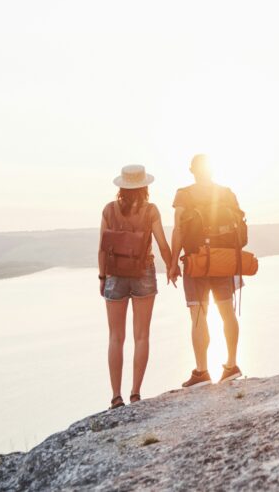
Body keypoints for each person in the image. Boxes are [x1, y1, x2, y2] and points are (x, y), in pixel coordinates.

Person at [98, 164, 172, 409]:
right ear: (145, 186)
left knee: (115, 337)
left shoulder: (109, 210)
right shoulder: (150, 211)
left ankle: (116, 397)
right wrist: (172, 266)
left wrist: (102, 277)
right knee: (142, 336)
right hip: (143, 273)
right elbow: (161, 244)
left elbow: (101, 247)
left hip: (115, 275)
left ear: (121, 186)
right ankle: (135, 394)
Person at [168, 154, 244, 387]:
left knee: (198, 315)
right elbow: (240, 228)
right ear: (212, 171)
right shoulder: (226, 193)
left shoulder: (184, 194)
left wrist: (172, 263)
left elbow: (178, 230)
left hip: (196, 261)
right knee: (227, 312)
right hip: (224, 259)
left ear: (192, 170)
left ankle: (202, 371)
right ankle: (232, 365)